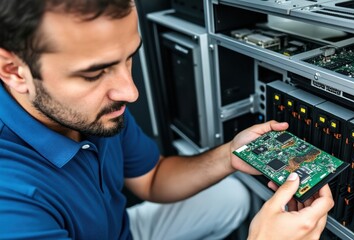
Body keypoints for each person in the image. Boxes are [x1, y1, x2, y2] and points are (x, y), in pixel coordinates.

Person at [0, 0, 334, 239]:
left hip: (119, 230)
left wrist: (230, 154)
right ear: (14, 71)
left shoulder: (93, 109)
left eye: (128, 59)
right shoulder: (12, 206)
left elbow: (152, 178)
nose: (130, 93)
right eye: (95, 73)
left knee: (231, 197)